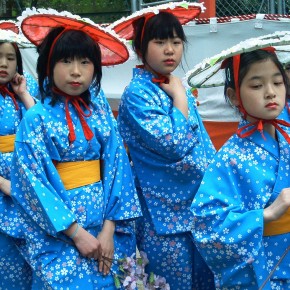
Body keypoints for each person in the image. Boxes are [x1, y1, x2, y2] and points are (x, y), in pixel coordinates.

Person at [10, 10, 141, 289]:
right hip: (59, 234)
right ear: (48, 65)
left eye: (85, 62)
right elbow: (33, 184)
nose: (76, 71)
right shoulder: (36, 119)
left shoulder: (101, 115)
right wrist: (76, 233)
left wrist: (109, 229)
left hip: (105, 229)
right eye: (66, 61)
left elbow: (118, 170)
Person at [117, 10, 216, 289]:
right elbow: (175, 145)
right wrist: (181, 99)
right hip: (162, 211)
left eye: (176, 41)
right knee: (172, 283)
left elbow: (203, 146)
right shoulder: (137, 94)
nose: (170, 50)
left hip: (197, 204)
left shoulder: (172, 85)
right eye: (160, 42)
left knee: (206, 281)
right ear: (140, 48)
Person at [191, 48, 290, 289]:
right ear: (234, 96)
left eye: (277, 82)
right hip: (263, 268)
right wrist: (266, 215)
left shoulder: (286, 139)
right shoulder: (229, 157)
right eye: (256, 86)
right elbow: (206, 226)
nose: (270, 93)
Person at [0, 23, 38, 290]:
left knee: (30, 262)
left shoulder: (25, 89)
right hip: (6, 189)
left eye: (10, 58)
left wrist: (24, 95)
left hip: (25, 190)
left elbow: (44, 131)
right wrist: (4, 185)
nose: (3, 63)